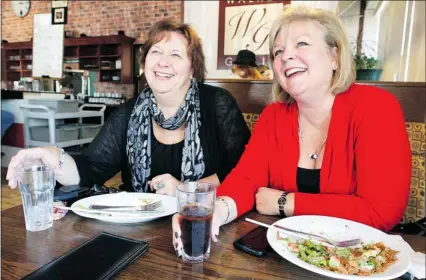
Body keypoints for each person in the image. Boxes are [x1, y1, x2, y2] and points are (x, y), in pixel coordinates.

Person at [173, 4, 411, 254]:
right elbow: (246, 178)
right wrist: (218, 211)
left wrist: (285, 202)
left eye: (302, 44)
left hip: (355, 259)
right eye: (278, 51)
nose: (285, 56)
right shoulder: (274, 116)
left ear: (334, 55)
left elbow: (381, 211)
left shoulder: (376, 108)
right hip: (287, 254)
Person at [6, 19, 251, 196]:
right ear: (145, 63)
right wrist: (53, 156)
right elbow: (91, 169)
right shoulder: (128, 113)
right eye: (156, 52)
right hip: (140, 229)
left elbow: (244, 171)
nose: (163, 62)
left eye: (176, 55)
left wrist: (186, 190)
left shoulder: (217, 104)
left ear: (193, 68)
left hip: (203, 226)